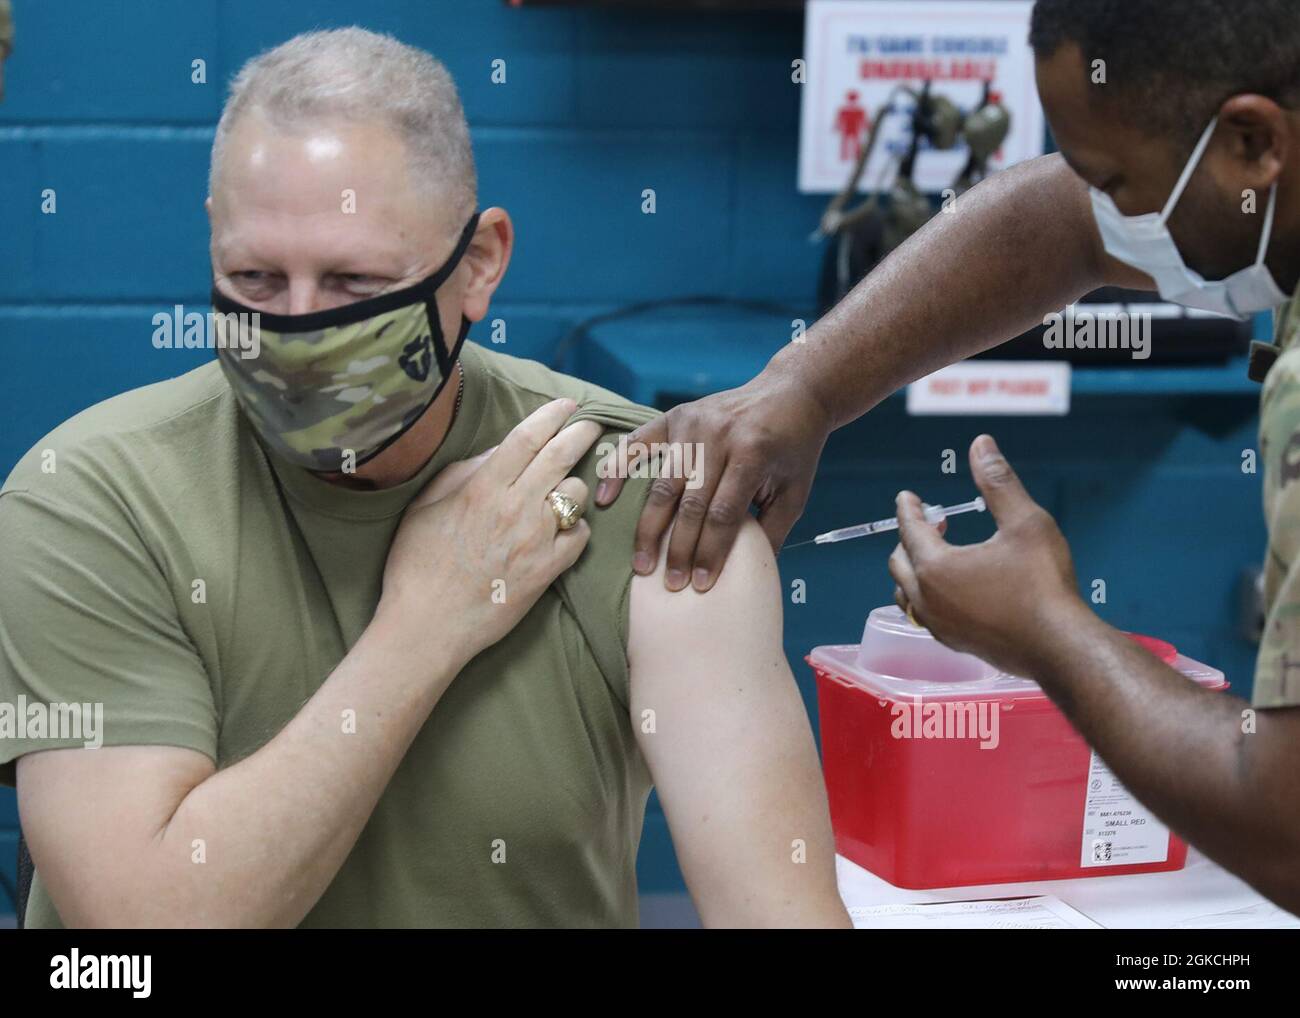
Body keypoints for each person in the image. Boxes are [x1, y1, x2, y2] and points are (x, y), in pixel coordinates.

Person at [0, 28, 850, 929]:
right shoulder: (88, 499)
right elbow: (143, 931)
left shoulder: (635, 490)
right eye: (253, 278)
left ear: (478, 264)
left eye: (352, 280)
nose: (297, 332)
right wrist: (426, 623)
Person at [599, 0, 1300, 910]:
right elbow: (1063, 220)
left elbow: (1286, 829)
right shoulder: (1244, 182)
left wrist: (1047, 631)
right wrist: (805, 389)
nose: (1109, 215)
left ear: (1252, 143)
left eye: (1121, 179)